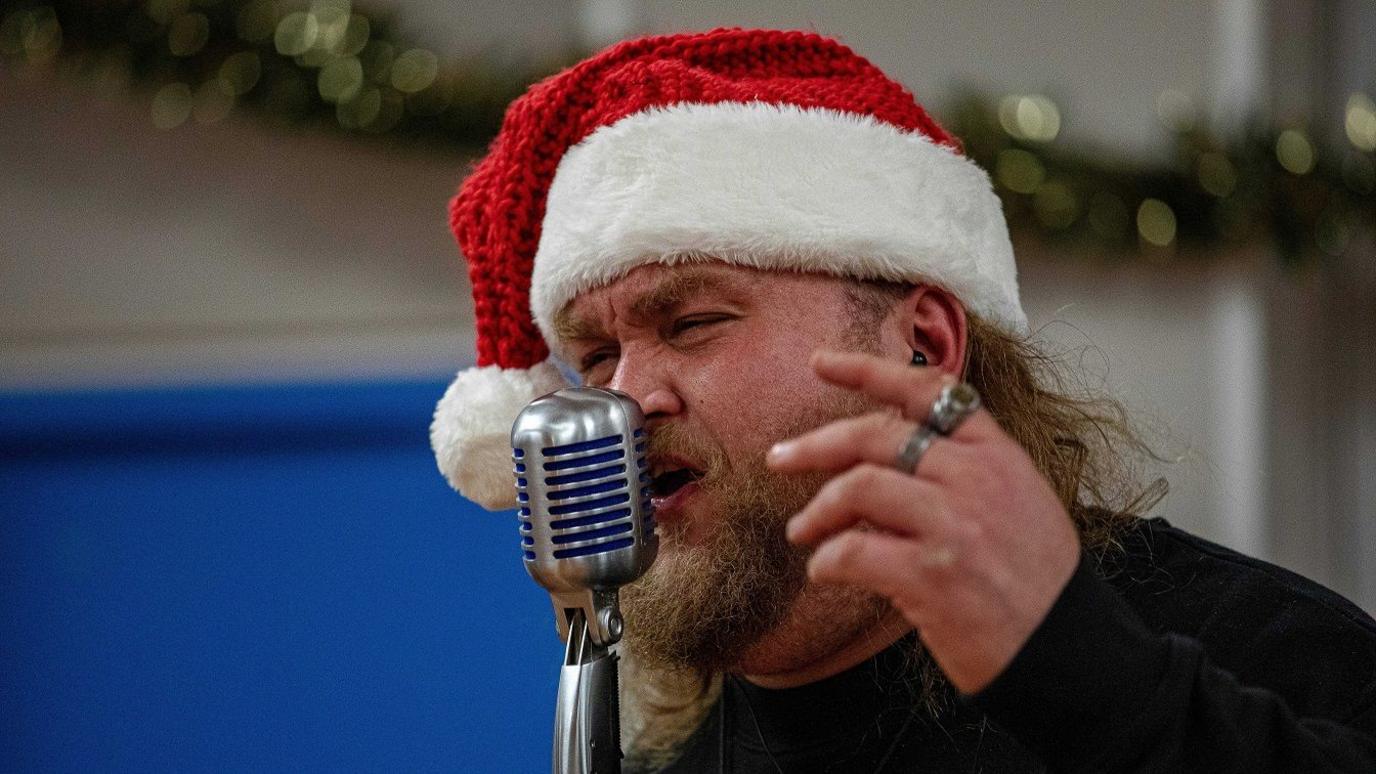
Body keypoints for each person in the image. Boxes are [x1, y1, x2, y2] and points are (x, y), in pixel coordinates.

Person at [429, 28, 1376, 772]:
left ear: (923, 345)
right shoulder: (654, 756)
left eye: (692, 324)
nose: (627, 398)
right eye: (593, 356)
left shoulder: (1267, 662)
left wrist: (1082, 678)